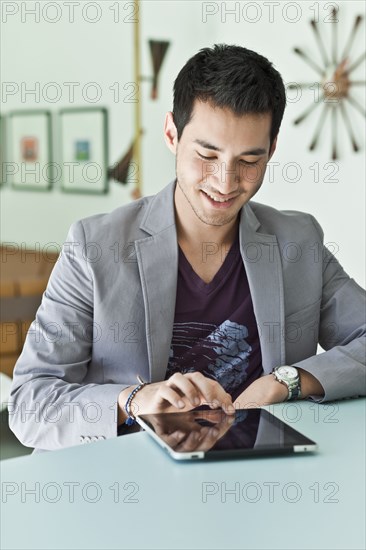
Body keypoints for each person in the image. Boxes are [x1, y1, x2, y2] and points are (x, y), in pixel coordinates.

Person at [8, 44, 366, 452]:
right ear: (171, 134)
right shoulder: (95, 247)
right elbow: (29, 403)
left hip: (258, 480)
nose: (226, 181)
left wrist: (286, 382)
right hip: (121, 486)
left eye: (250, 160)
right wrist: (133, 401)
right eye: (207, 154)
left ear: (273, 149)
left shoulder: (297, 241)